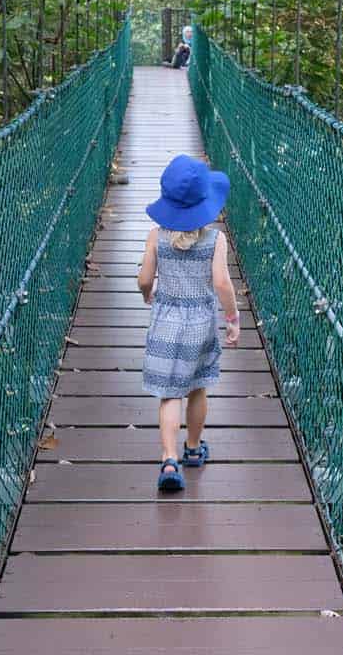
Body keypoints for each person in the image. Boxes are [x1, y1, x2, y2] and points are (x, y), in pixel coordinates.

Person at [135, 155, 240, 492]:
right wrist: (232, 318)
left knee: (169, 395)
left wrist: (147, 293)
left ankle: (169, 460)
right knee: (197, 387)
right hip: (200, 325)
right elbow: (222, 284)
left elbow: (144, 278)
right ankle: (193, 449)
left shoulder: (156, 237)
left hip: (165, 323)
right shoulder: (215, 240)